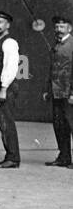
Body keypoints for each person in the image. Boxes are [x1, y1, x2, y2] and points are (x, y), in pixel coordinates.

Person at [0, 10, 21, 168]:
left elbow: (11, 67)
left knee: (6, 123)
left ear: (8, 25)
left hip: (5, 87)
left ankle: (13, 158)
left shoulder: (9, 42)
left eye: (0, 22)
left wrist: (3, 89)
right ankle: (10, 156)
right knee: (3, 123)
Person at [45, 15, 72, 168]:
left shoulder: (71, 45)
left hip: (69, 94)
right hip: (57, 93)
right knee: (59, 126)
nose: (58, 30)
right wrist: (47, 89)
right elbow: (52, 70)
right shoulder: (57, 45)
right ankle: (64, 157)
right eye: (56, 27)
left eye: (62, 27)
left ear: (70, 28)